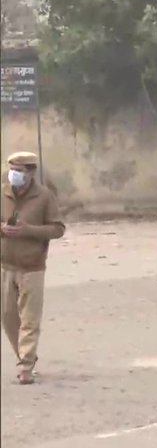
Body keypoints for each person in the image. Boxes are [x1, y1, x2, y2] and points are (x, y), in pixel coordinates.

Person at [1, 152, 65, 386]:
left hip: (33, 266)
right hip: (6, 264)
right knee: (8, 317)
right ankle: (25, 356)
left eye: (19, 170)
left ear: (30, 172)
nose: (14, 174)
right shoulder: (3, 193)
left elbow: (58, 229)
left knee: (29, 318)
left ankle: (25, 366)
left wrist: (28, 230)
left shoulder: (44, 196)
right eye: (12, 169)